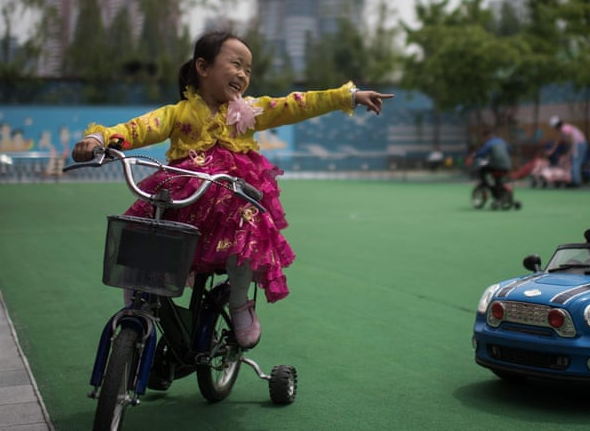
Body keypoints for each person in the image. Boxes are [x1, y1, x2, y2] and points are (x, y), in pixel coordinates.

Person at [72, 30, 393, 348]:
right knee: (144, 224)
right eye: (236, 64)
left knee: (249, 225)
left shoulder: (249, 111)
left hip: (230, 200)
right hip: (186, 198)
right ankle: (139, 299)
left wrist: (348, 96)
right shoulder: (178, 113)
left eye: (248, 70)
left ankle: (239, 303)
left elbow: (297, 104)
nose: (243, 74)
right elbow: (138, 128)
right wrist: (100, 139)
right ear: (203, 67)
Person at [470, 128, 518, 205]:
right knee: (498, 180)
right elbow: (510, 149)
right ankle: (503, 194)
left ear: (486, 136)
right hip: (507, 166)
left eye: (484, 138)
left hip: (496, 165)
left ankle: (487, 185)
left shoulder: (489, 143)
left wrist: (475, 155)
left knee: (483, 171)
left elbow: (482, 153)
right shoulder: (502, 141)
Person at [548, 116, 588, 187]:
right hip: (580, 143)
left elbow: (572, 138)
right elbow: (559, 140)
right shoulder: (564, 128)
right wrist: (552, 150)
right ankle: (573, 180)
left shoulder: (564, 128)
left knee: (576, 162)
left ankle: (576, 182)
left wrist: (572, 149)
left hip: (579, 144)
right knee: (574, 162)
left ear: (556, 126)